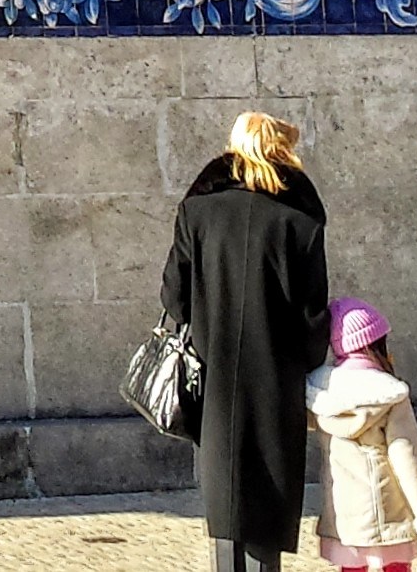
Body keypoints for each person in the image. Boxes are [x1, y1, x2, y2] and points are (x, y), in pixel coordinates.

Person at [168, 109, 334, 572]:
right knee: (269, 509)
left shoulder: (196, 213)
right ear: (281, 153)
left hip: (215, 382)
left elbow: (173, 295)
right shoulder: (298, 222)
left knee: (226, 509)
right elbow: (313, 313)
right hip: (276, 382)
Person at [311, 297, 417, 572]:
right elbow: (409, 460)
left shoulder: (322, 395)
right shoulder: (390, 395)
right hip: (389, 515)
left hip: (345, 516)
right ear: (376, 344)